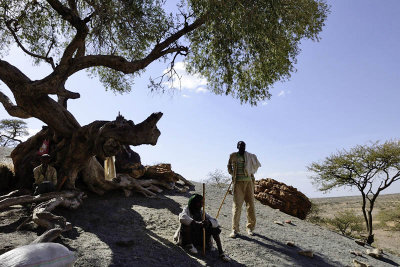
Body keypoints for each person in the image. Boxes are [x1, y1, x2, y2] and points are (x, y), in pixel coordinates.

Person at [174, 194, 230, 261]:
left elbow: (215, 222)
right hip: (188, 238)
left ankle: (221, 253)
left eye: (202, 203)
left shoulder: (202, 212)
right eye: (199, 203)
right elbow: (182, 218)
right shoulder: (187, 209)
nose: (201, 205)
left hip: (200, 238)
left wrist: (208, 222)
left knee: (214, 228)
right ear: (193, 203)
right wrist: (197, 223)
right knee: (186, 225)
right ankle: (189, 245)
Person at [227, 141, 261, 238]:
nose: (242, 147)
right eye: (240, 146)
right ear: (237, 147)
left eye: (244, 146)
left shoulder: (249, 156)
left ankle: (250, 227)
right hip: (238, 183)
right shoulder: (233, 156)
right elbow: (229, 166)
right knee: (237, 206)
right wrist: (232, 173)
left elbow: (255, 166)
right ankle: (234, 229)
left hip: (249, 182)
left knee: (250, 205)